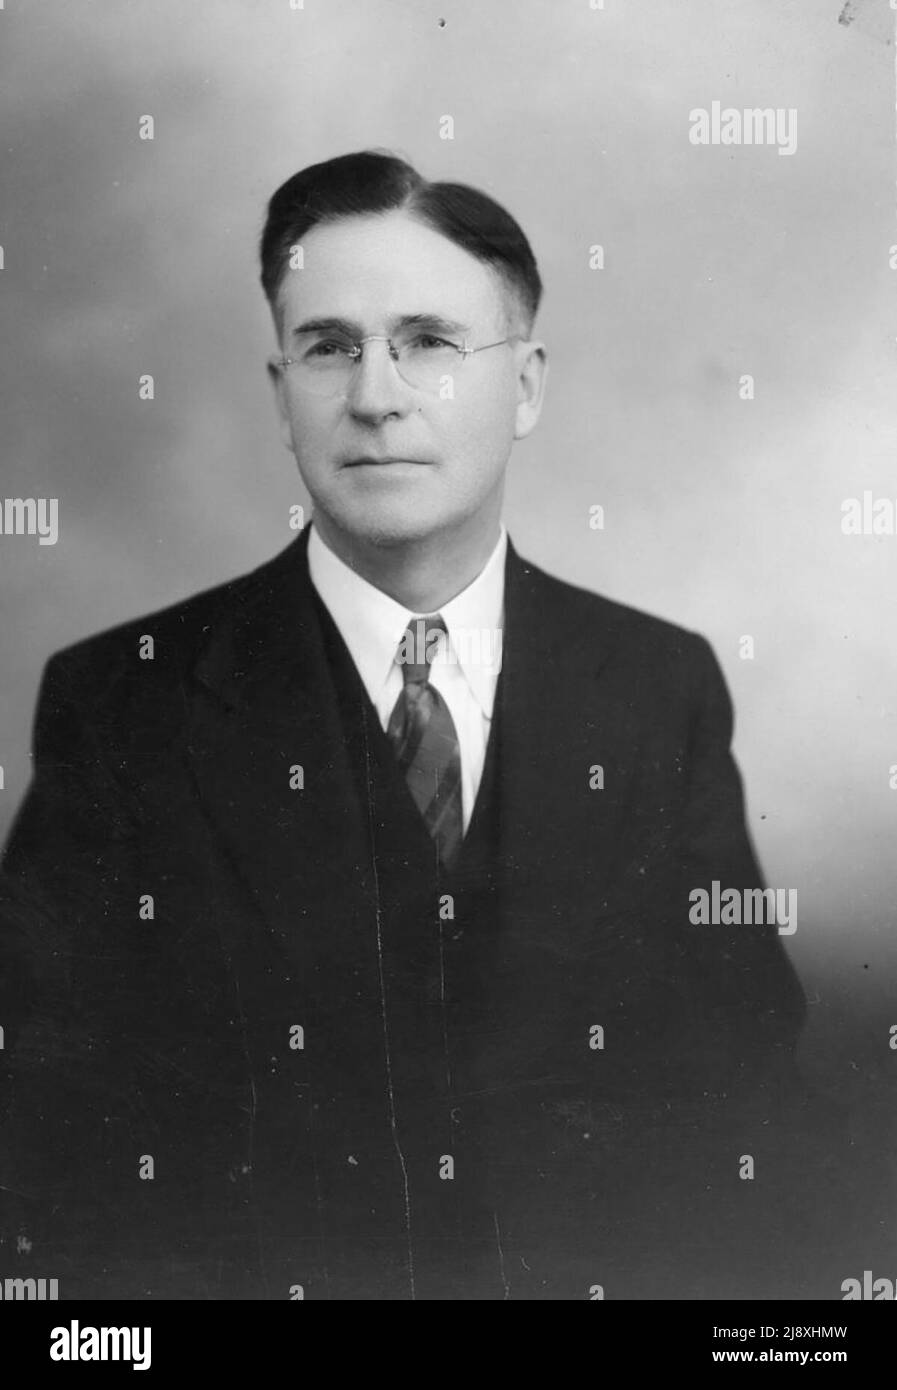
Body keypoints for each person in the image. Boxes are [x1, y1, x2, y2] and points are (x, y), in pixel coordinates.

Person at [0, 150, 817, 1301]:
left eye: (430, 340)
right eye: (330, 346)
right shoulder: (121, 702)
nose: (376, 394)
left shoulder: (653, 686)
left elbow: (745, 1097)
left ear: (526, 386)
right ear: (280, 387)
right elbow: (54, 1131)